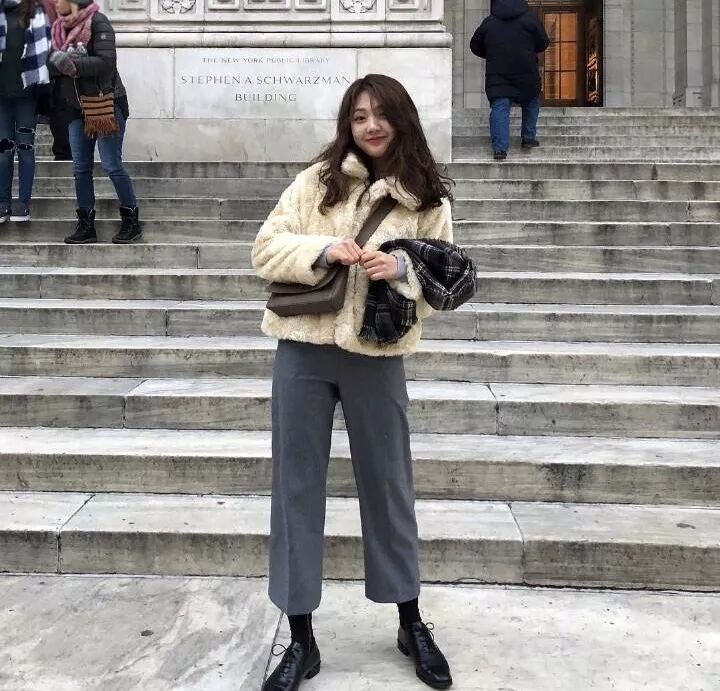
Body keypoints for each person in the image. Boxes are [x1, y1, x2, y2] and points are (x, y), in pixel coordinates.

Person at [252, 73, 455, 691]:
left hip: (377, 353)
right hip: (303, 350)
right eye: (359, 115)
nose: (370, 126)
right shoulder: (317, 182)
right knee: (295, 489)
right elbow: (265, 248)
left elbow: (442, 281)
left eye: (381, 114)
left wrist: (401, 269)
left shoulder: (426, 198)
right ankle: (301, 637)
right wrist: (325, 251)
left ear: (401, 119)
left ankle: (410, 621)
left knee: (389, 486)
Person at [49, 0, 140, 244]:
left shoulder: (98, 22)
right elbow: (52, 64)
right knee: (80, 168)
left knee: (111, 164)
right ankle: (86, 225)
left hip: (105, 102)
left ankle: (131, 221)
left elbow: (106, 62)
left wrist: (74, 64)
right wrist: (59, 63)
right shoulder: (58, 29)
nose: (57, 4)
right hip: (76, 107)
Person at [470, 0, 550, 160]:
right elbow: (543, 43)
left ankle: (500, 149)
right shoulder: (530, 19)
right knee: (531, 101)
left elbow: (475, 45)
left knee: (500, 107)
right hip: (526, 70)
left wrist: (491, 53)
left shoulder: (489, 22)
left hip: (498, 73)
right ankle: (528, 138)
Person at [0, 0, 52, 222]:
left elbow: (46, 52)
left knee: (25, 148)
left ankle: (23, 204)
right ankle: (3, 203)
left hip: (27, 95)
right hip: (2, 98)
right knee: (3, 151)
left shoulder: (35, 12)